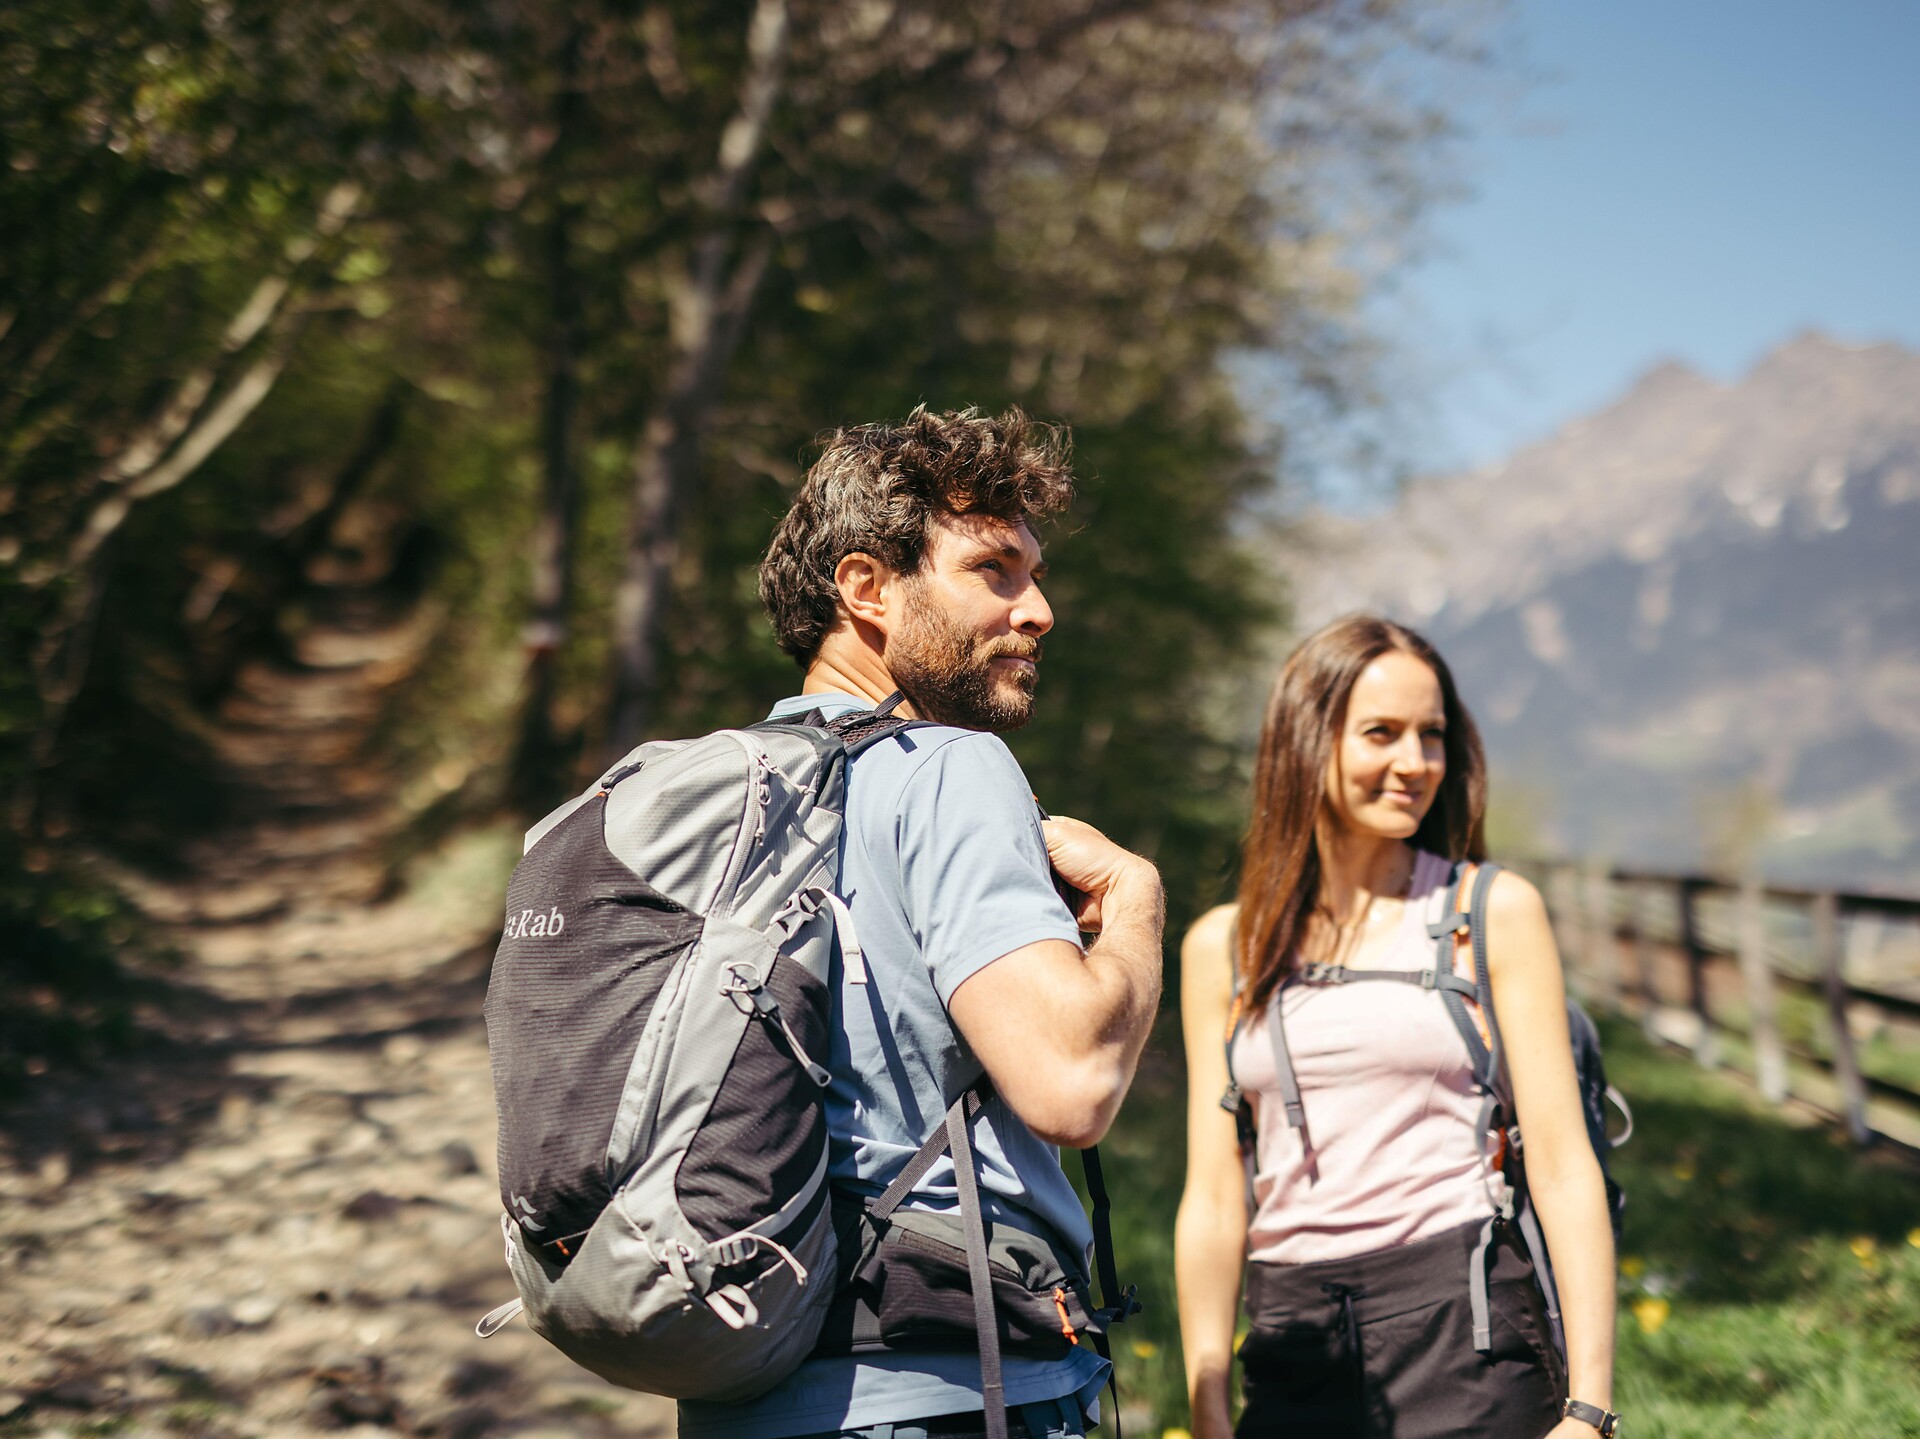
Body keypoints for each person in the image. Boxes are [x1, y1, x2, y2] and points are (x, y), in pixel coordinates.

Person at [676, 406, 1166, 1439]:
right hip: (951, 1384)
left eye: (1033, 573)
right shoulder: (948, 765)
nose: (1038, 609)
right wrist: (1136, 904)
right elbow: (1071, 1082)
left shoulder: (719, 793)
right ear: (866, 587)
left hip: (744, 1374)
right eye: (994, 568)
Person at [1174, 615, 1619, 1439]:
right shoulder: (1222, 949)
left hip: (1465, 1331)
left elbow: (1563, 1163)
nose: (1415, 763)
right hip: (1290, 1337)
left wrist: (1589, 1407)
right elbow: (1213, 1193)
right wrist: (1205, 1401)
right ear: (1306, 741)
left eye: (1433, 735)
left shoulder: (1489, 910)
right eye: (1382, 733)